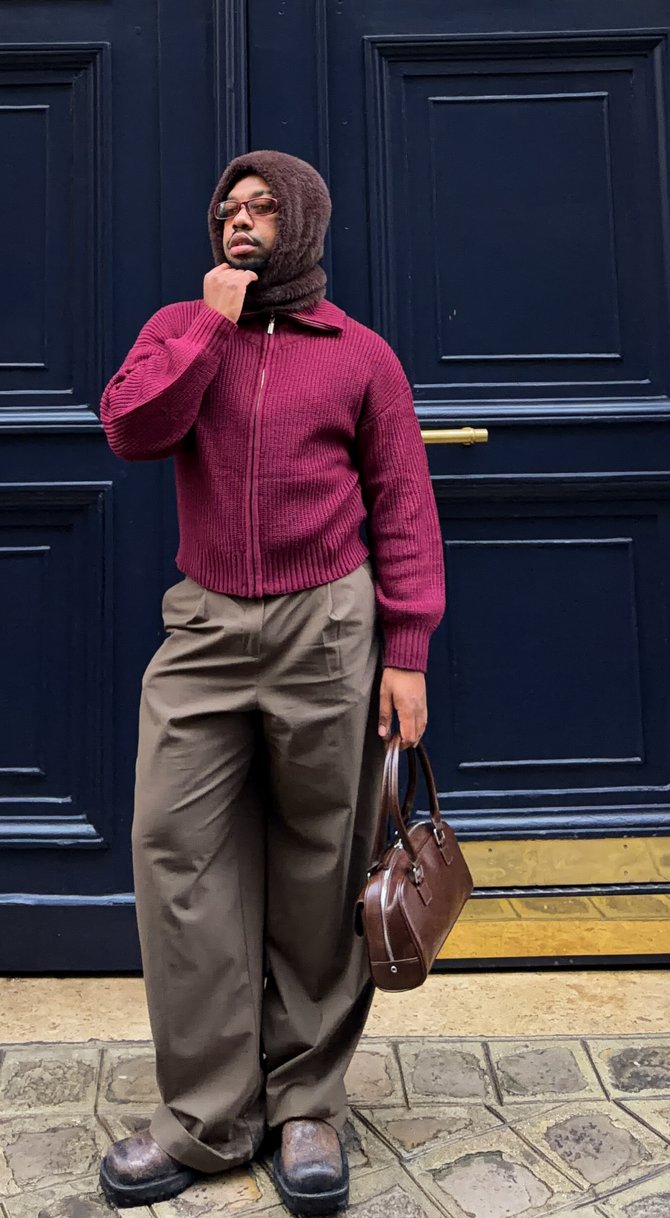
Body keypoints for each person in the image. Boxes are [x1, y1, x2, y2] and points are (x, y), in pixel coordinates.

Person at [97, 150, 445, 1214]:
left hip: (327, 625)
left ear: (304, 224)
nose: (239, 222)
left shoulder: (360, 356)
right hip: (204, 624)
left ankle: (306, 1105)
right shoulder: (178, 328)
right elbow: (133, 428)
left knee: (320, 860)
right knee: (175, 849)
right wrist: (211, 326)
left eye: (262, 209)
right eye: (228, 210)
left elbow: (403, 504)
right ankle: (207, 1116)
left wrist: (407, 650)